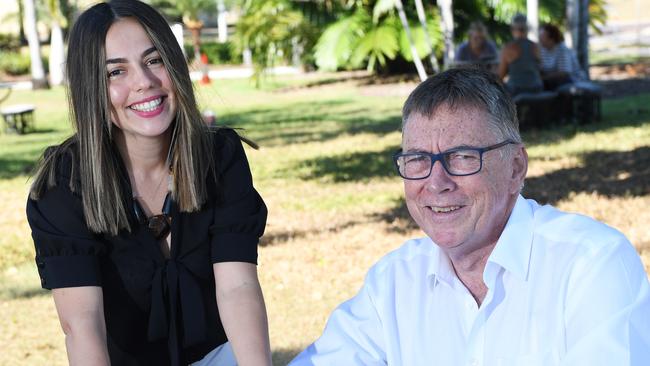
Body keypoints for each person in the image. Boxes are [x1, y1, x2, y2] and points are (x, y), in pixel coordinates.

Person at [290, 68, 650, 365]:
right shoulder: (394, 282)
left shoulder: (591, 264)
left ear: (516, 167)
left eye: (462, 157)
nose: (436, 182)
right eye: (417, 159)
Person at [26, 1, 271, 365]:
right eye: (115, 73)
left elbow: (238, 287)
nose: (143, 82)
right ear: (90, 86)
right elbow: (82, 323)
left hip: (220, 355)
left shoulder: (219, 156)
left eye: (154, 60)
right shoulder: (64, 185)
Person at [498, 13, 544, 96]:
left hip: (516, 91)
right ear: (527, 29)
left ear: (512, 30)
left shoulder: (508, 48)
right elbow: (540, 69)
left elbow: (500, 75)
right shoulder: (536, 47)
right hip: (536, 89)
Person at [539, 23, 587, 90]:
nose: (540, 39)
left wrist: (544, 78)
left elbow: (564, 73)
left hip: (572, 80)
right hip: (553, 79)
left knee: (550, 83)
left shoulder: (562, 50)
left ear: (551, 39)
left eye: (542, 37)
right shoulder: (542, 50)